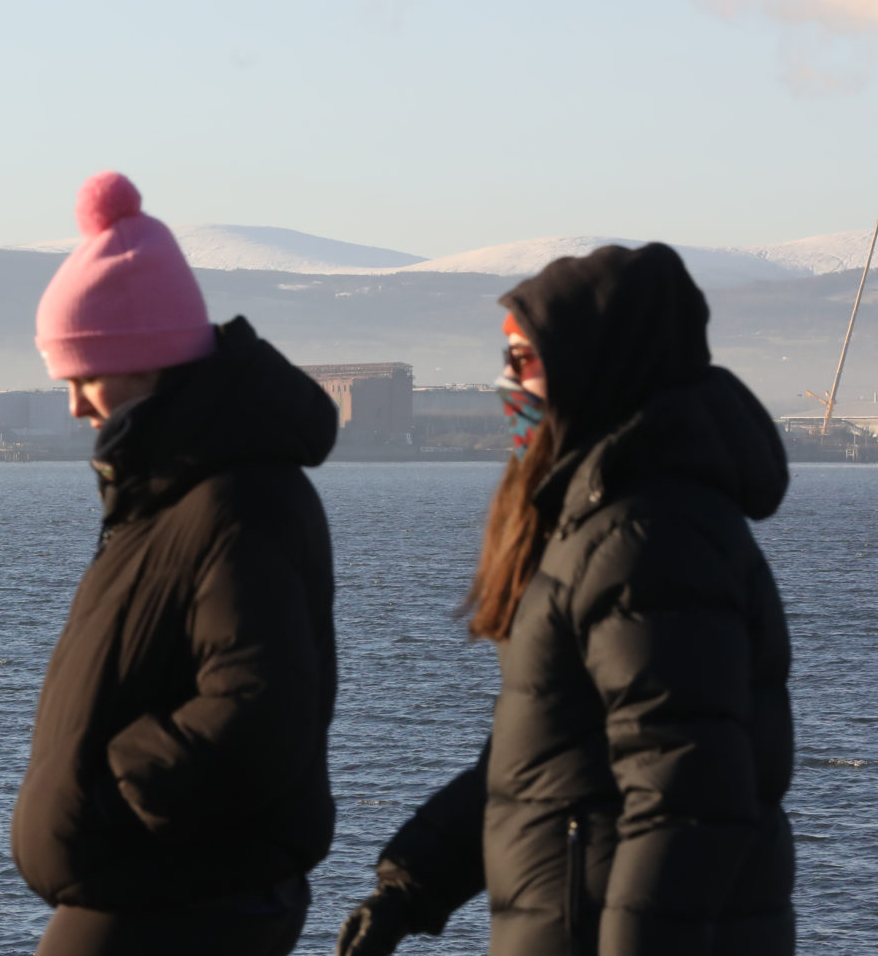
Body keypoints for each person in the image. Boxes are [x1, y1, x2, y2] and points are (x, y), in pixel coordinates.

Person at [335, 243, 794, 956]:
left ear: (595, 367)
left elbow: (686, 795)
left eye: (522, 361)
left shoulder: (649, 538)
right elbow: (540, 763)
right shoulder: (594, 526)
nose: (505, 384)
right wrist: (411, 884)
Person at [12, 171, 341, 956]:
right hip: (154, 893)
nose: (74, 407)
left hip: (179, 899)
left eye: (85, 375)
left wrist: (117, 788)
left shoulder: (235, 502)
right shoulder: (167, 498)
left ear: (147, 360)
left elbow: (259, 705)